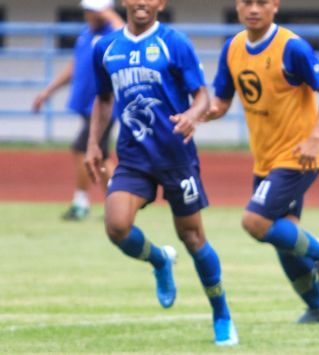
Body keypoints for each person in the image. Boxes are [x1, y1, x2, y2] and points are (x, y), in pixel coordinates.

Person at [85, 0, 237, 346]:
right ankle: (160, 260)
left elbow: (201, 95)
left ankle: (222, 314)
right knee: (117, 226)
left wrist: (192, 115)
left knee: (193, 237)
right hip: (133, 156)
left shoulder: (175, 42)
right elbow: (104, 99)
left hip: (175, 157)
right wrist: (94, 143)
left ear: (161, 3)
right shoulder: (105, 47)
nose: (142, 2)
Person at [206, 0, 319, 323]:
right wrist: (197, 113)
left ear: (275, 6)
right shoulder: (232, 48)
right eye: (247, 2)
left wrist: (315, 138)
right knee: (287, 240)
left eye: (262, 2)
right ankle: (318, 308)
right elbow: (221, 102)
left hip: (298, 158)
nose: (254, 8)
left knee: (255, 221)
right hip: (264, 161)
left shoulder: (292, 48)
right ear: (237, 7)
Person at [31, 0, 123, 221]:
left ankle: (86, 203)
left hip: (104, 106)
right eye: (87, 12)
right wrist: (48, 91)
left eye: (93, 12)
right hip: (85, 104)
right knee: (98, 157)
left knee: (83, 150)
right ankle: (116, 204)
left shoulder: (114, 33)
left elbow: (126, 35)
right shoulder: (85, 34)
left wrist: (109, 15)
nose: (88, 16)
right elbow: (72, 67)